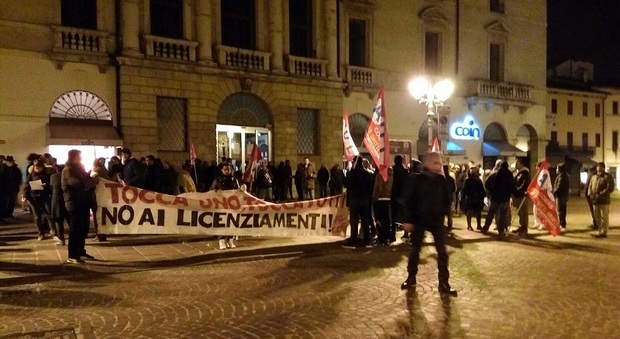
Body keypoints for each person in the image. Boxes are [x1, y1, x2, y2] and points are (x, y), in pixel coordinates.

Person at [399, 152, 457, 296]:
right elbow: (408, 200)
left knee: (442, 252)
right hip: (419, 219)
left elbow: (447, 199)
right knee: (415, 250)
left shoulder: (441, 180)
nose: (438, 166)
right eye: (435, 163)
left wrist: (443, 214)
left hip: (436, 220)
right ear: (427, 164)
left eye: (439, 163)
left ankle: (444, 282)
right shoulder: (416, 179)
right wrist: (408, 220)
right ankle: (411, 277)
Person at [62, 149, 96, 264]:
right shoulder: (68, 170)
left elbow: (87, 179)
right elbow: (78, 184)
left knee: (84, 228)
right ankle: (72, 254)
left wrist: (92, 176)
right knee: (75, 229)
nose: (80, 158)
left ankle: (80, 250)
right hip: (74, 203)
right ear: (73, 157)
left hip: (84, 202)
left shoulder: (79, 168)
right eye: (79, 157)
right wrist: (92, 182)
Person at [341, 156, 373, 249]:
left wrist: (348, 202)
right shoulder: (367, 174)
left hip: (355, 200)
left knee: (354, 220)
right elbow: (370, 188)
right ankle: (366, 239)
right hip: (365, 200)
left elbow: (348, 186)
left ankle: (353, 238)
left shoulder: (352, 173)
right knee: (365, 220)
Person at [481, 160, 514, 238]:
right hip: (505, 198)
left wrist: (491, 192)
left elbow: (487, 184)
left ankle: (485, 228)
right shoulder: (509, 174)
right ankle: (501, 230)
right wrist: (509, 194)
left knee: (491, 213)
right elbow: (512, 185)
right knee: (503, 214)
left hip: (495, 197)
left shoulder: (495, 174)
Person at [210, 163, 240, 249]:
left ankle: (230, 240)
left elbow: (238, 191)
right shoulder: (218, 179)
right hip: (221, 205)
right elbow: (212, 190)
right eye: (225, 169)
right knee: (222, 222)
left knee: (231, 222)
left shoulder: (234, 180)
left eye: (228, 169)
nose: (227, 171)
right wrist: (215, 190)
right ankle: (222, 241)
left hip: (231, 206)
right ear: (222, 170)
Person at [23, 160, 53, 240]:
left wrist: (45, 185)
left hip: (44, 196)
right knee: (37, 216)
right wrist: (25, 196)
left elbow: (50, 183)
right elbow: (26, 185)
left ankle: (52, 230)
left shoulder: (47, 174)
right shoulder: (31, 175)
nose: (37, 169)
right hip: (33, 197)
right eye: (35, 167)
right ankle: (40, 233)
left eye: (38, 167)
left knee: (48, 213)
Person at [587, 162, 615, 238]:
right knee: (597, 216)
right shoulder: (594, 177)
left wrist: (601, 194)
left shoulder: (607, 177)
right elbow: (590, 186)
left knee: (604, 217)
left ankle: (604, 232)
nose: (598, 169)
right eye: (598, 168)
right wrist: (590, 195)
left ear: (603, 168)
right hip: (595, 201)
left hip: (604, 201)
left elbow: (610, 188)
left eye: (600, 168)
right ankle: (600, 230)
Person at [373, 166, 393, 245]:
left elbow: (378, 187)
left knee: (379, 219)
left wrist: (375, 197)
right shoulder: (391, 174)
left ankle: (381, 238)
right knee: (387, 219)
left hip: (380, 198)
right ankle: (387, 237)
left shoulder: (380, 175)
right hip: (387, 198)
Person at [461, 166, 486, 231]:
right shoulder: (468, 180)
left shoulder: (478, 180)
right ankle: (469, 225)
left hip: (477, 198)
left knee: (478, 212)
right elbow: (465, 190)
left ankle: (478, 225)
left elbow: (481, 189)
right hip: (471, 198)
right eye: (477, 172)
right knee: (470, 211)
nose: (478, 173)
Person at [511, 157, 531, 235]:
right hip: (517, 195)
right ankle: (521, 226)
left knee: (523, 212)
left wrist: (518, 190)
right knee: (520, 212)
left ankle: (524, 228)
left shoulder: (524, 174)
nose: (515, 164)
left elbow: (524, 185)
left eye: (517, 163)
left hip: (522, 196)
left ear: (521, 164)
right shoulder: (518, 173)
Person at [50, 165, 67, 246]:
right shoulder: (68, 175)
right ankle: (75, 238)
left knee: (58, 220)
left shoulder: (53, 176)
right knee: (70, 220)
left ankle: (61, 239)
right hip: (67, 199)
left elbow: (51, 188)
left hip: (57, 200)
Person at [553, 163, 570, 230]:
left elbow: (559, 187)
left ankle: (562, 224)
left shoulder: (562, 176)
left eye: (557, 168)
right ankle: (562, 223)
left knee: (561, 210)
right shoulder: (563, 175)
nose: (556, 170)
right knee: (562, 210)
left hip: (561, 196)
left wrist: (554, 192)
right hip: (563, 195)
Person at [584, 165, 598, 230]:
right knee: (593, 210)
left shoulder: (594, 175)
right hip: (589, 194)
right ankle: (595, 223)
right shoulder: (591, 174)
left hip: (591, 195)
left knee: (594, 210)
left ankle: (596, 224)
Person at [443, 165, 456, 231]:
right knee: (449, 212)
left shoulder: (440, 178)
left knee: (441, 212)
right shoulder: (451, 179)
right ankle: (450, 225)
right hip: (449, 197)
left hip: (441, 197)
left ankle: (441, 224)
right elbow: (453, 189)